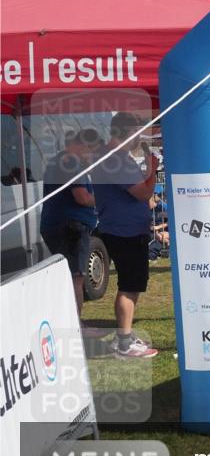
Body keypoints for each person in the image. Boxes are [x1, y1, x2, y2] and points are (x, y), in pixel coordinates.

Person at [90, 112, 159, 359]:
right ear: (126, 131)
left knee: (133, 284)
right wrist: (154, 172)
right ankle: (125, 342)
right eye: (137, 132)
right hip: (124, 231)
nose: (139, 137)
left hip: (125, 229)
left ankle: (125, 338)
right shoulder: (114, 159)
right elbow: (142, 193)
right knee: (129, 286)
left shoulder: (116, 157)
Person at [40, 129, 101, 314]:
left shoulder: (58, 160)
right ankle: (77, 326)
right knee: (76, 277)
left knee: (71, 276)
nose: (92, 156)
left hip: (60, 225)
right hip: (70, 228)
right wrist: (102, 198)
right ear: (83, 146)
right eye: (92, 151)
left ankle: (73, 322)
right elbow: (82, 197)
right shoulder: (71, 163)